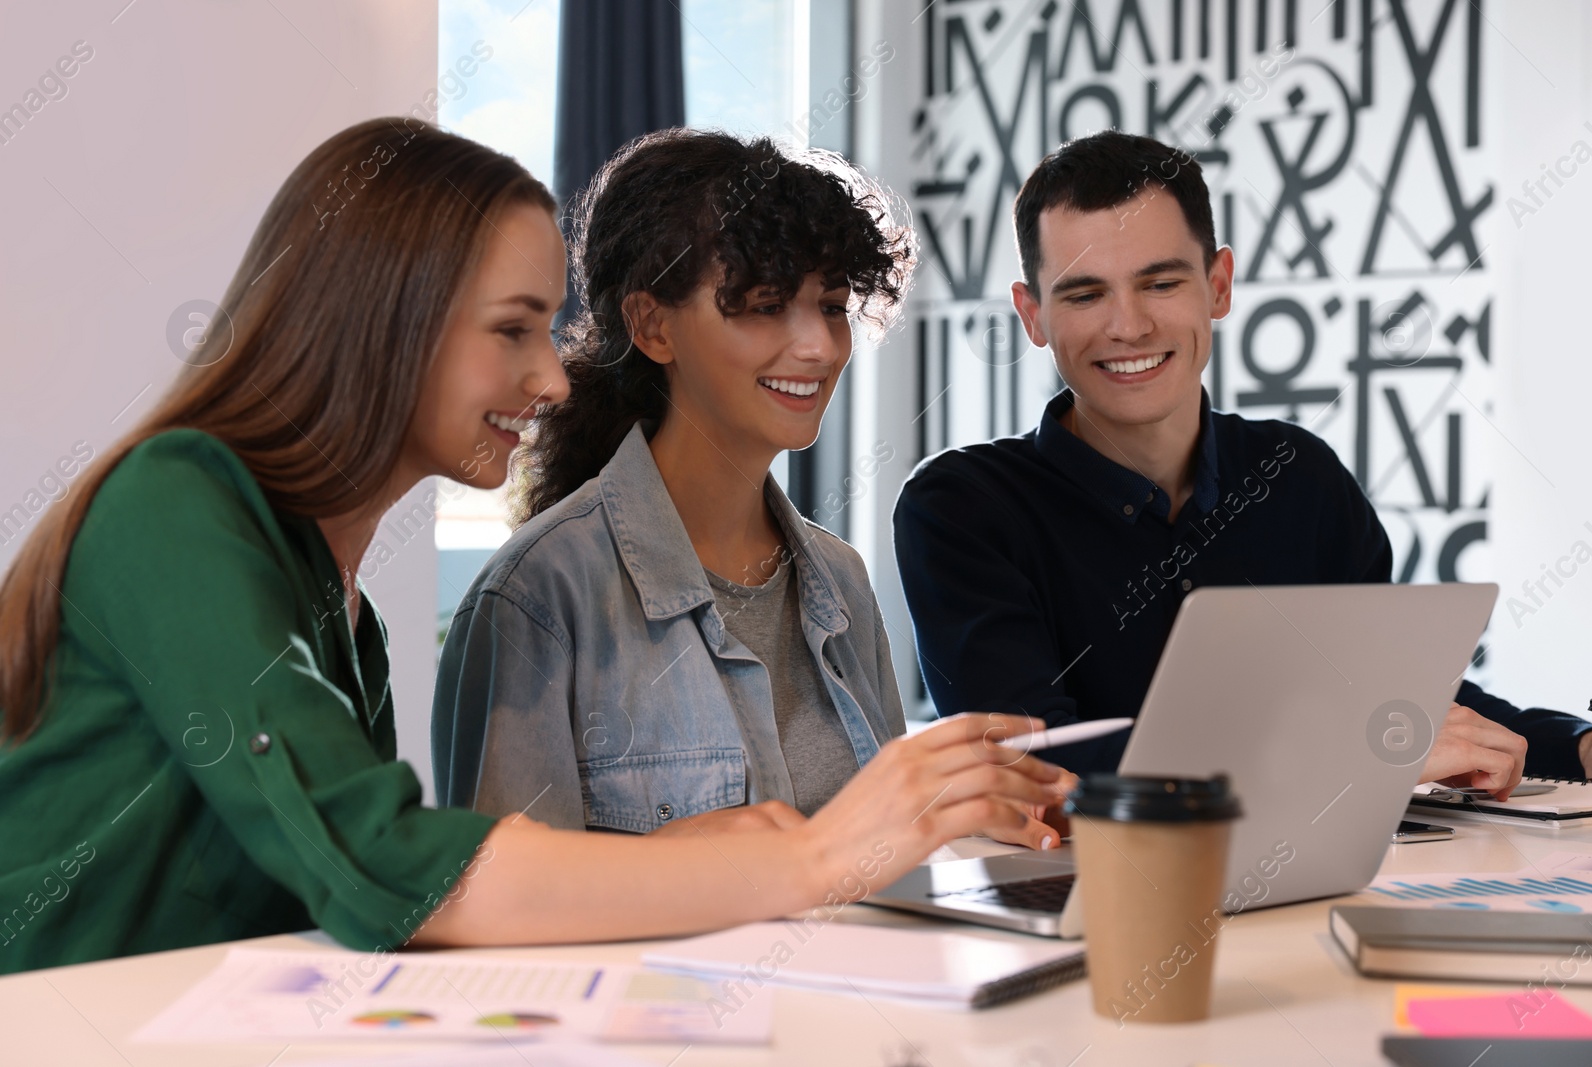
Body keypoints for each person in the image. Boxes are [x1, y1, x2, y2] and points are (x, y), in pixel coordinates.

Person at [0, 118, 1070, 975]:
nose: (556, 378)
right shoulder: (172, 505)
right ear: (386, 320)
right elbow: (382, 866)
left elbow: (357, 908)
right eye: (512, 330)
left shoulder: (344, 619)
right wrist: (818, 856)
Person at [893, 129, 1592, 793]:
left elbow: (1408, 700)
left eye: (1161, 283)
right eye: (1084, 293)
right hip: (1092, 902)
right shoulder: (963, 508)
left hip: (1325, 887)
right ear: (1033, 315)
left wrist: (1579, 748)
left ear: (1220, 285)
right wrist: (1348, 750)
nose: (1128, 325)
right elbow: (1034, 761)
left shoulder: (1299, 476)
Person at [432, 129, 1066, 852]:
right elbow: (507, 917)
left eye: (830, 306)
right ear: (651, 325)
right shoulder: (537, 600)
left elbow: (887, 873)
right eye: (766, 305)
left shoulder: (842, 581)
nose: (819, 347)